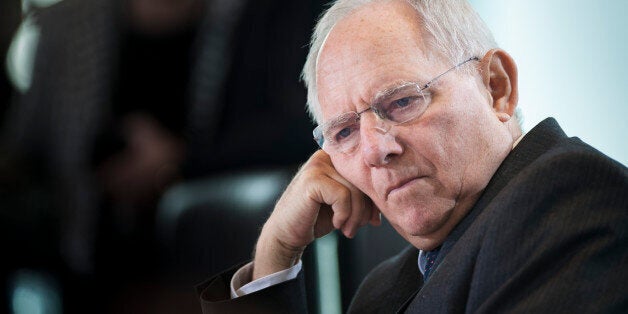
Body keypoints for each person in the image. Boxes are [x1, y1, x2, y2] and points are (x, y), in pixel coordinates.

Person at [197, 0, 628, 313]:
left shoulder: (570, 194)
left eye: (402, 102)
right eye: (344, 131)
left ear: (496, 87)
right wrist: (277, 249)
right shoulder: (382, 287)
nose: (374, 150)